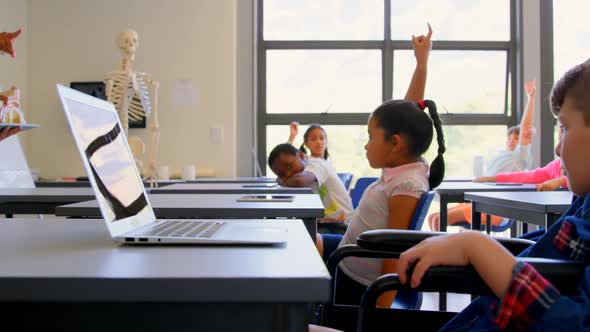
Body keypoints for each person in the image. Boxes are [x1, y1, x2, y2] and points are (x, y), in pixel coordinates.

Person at [394, 58, 590, 331]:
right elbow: (538, 253)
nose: (558, 149)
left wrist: (475, 247)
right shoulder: (582, 203)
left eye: (565, 128)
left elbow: (571, 325)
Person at [427, 79, 538, 231]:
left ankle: (443, 252)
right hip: (485, 201)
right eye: (510, 138)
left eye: (516, 139)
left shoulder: (521, 157)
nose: (512, 141)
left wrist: (531, 98)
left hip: (498, 209)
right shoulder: (501, 156)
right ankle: (443, 250)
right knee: (433, 217)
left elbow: (525, 129)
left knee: (440, 219)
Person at [428, 157, 568, 231]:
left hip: (503, 214)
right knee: (434, 218)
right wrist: (490, 179)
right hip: (547, 222)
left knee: (440, 219)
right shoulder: (556, 166)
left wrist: (561, 180)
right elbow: (527, 176)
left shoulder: (520, 153)